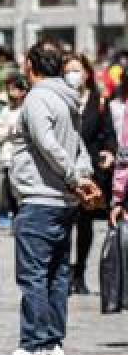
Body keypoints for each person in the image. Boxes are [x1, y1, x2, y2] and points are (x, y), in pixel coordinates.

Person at [0, 41, 99, 355]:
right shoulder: (68, 99)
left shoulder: (38, 98)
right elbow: (79, 145)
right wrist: (82, 175)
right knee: (56, 275)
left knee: (34, 276)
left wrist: (74, 176)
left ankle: (33, 344)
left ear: (30, 65)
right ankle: (55, 343)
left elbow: (48, 144)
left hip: (41, 199)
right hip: (63, 202)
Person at [63, 51, 116, 295]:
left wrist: (108, 152)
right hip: (63, 169)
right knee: (63, 224)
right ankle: (63, 273)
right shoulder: (59, 100)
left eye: (78, 70)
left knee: (85, 225)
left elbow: (108, 134)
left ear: (87, 73)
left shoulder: (99, 101)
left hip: (90, 170)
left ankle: (79, 273)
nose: (74, 75)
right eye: (69, 71)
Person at [0, 74, 29, 226]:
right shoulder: (5, 111)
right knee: (9, 190)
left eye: (14, 89)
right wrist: (9, 131)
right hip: (8, 157)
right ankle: (14, 218)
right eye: (9, 90)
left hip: (25, 156)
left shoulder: (28, 109)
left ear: (22, 92)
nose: (11, 93)